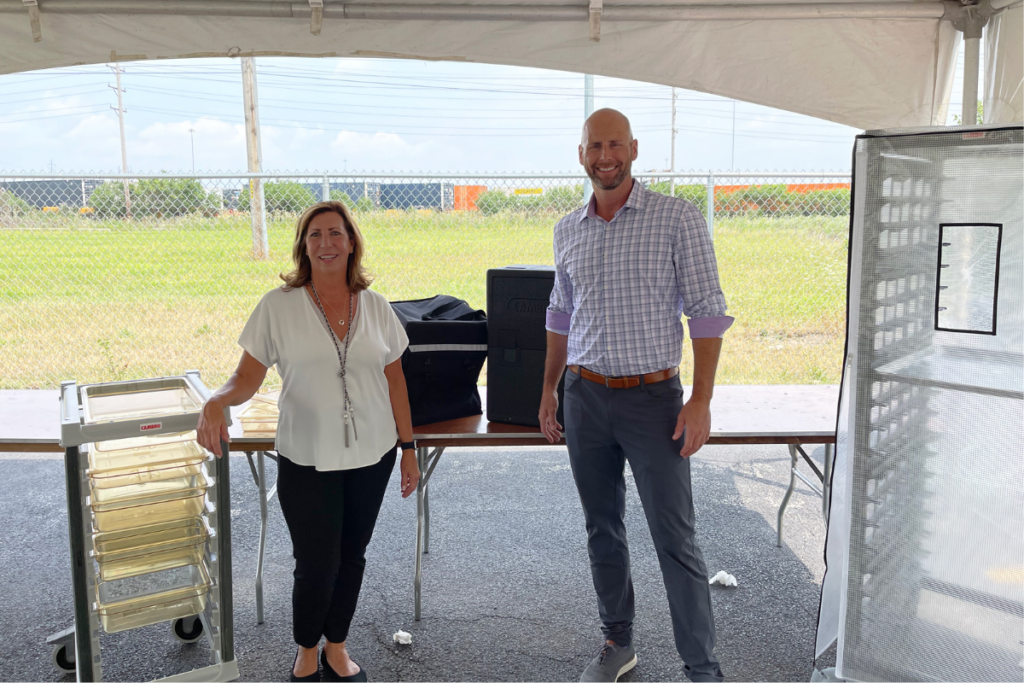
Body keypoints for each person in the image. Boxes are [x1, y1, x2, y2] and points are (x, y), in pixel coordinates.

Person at [539, 109, 732, 683]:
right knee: (603, 526)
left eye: (615, 144)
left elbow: (707, 312)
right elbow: (559, 314)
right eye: (595, 145)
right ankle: (617, 643)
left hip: (654, 402)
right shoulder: (567, 228)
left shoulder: (676, 218)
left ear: (634, 149)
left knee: (675, 537)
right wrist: (550, 390)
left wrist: (700, 400)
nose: (606, 155)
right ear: (581, 154)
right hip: (584, 396)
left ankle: (702, 667)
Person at [197, 200, 420, 682]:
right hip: (306, 457)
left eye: (335, 233)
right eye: (315, 235)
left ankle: (336, 646)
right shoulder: (278, 306)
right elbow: (246, 377)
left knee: (352, 556)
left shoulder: (377, 307)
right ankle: (305, 650)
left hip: (373, 455)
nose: (326, 243)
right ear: (303, 245)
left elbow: (396, 381)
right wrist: (218, 400)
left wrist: (408, 449)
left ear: (352, 242)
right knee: (316, 563)